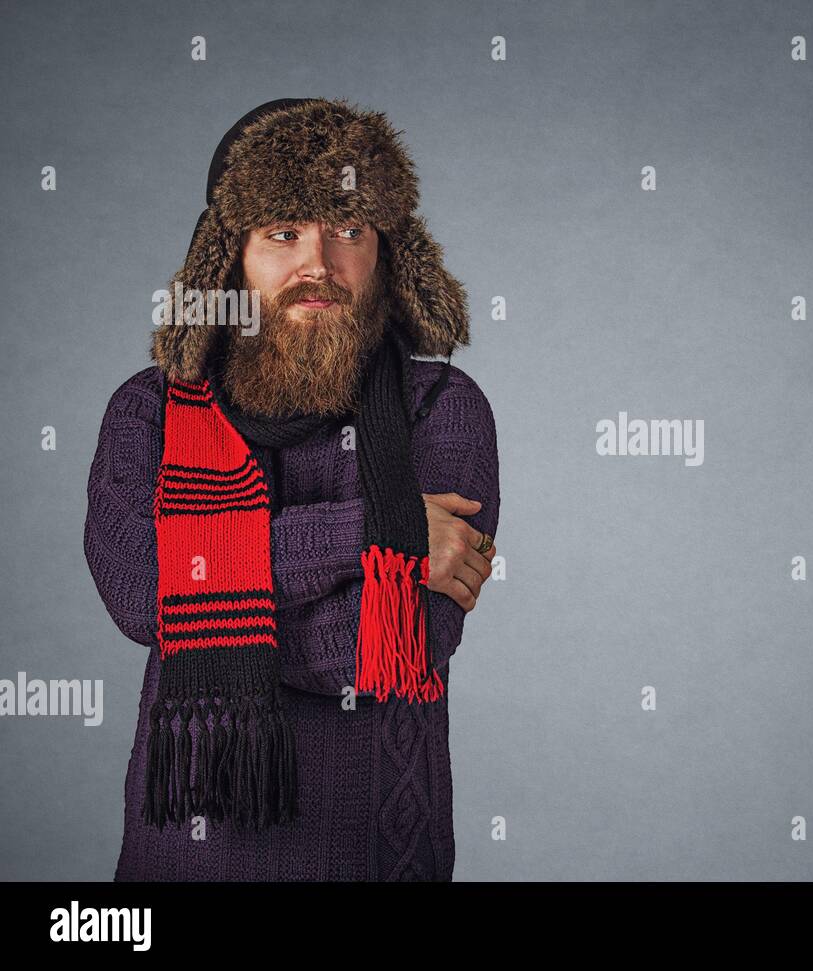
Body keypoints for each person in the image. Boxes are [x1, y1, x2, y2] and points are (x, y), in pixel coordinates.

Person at [82, 98, 500, 881]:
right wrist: (377, 528)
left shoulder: (443, 408)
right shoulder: (149, 411)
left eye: (349, 230)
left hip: (379, 860)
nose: (319, 263)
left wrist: (203, 596)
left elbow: (386, 649)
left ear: (386, 252)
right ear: (228, 257)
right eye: (283, 233)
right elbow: (142, 594)